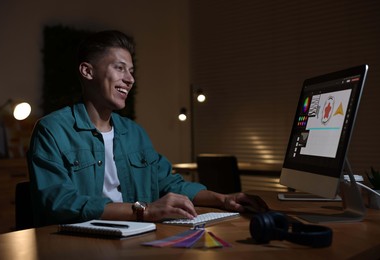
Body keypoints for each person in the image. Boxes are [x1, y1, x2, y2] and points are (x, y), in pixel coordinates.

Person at [27, 30, 268, 227]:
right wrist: (145, 210)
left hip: (136, 236)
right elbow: (60, 203)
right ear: (87, 71)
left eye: (131, 71)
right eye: (119, 68)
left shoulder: (134, 133)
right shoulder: (52, 131)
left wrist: (223, 199)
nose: (130, 79)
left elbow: (169, 183)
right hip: (75, 244)